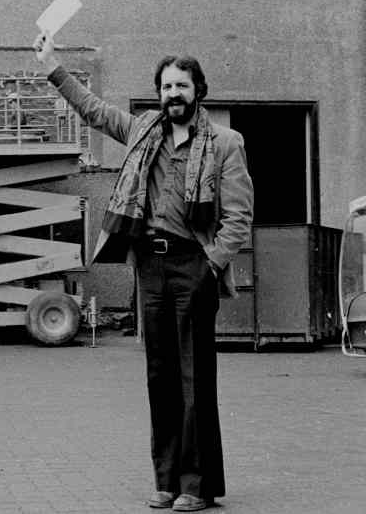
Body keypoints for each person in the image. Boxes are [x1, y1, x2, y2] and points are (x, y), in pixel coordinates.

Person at [32, 31, 253, 513]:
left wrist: (211, 266)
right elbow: (92, 109)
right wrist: (53, 66)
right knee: (160, 376)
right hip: (150, 266)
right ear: (159, 93)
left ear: (199, 91)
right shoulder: (142, 131)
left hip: (195, 263)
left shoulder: (225, 144)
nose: (174, 94)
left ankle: (196, 485)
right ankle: (166, 480)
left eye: (182, 86)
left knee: (196, 377)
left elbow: (239, 218)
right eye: (167, 87)